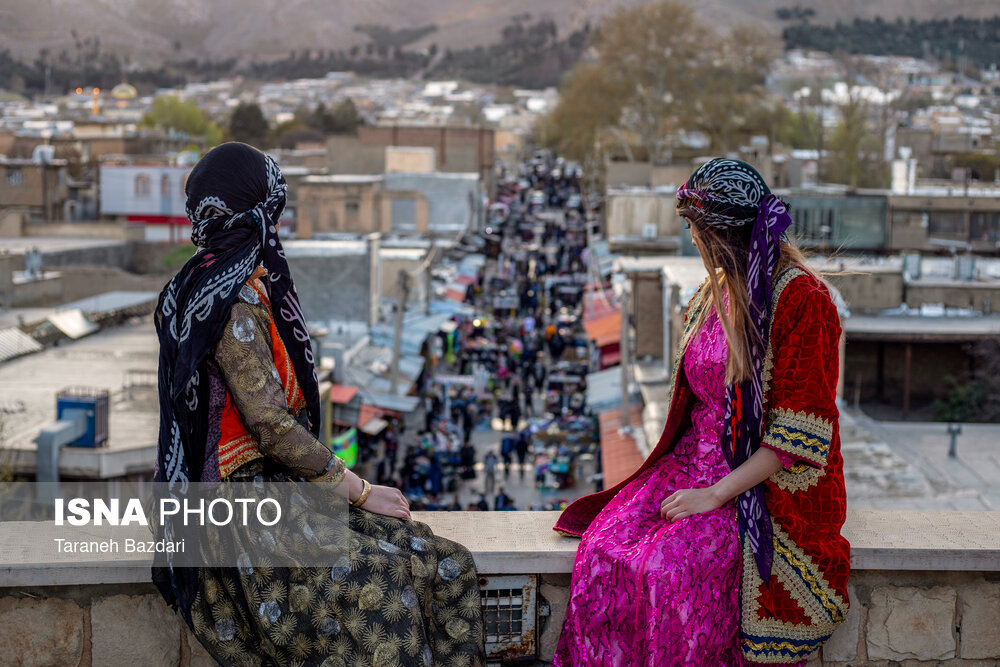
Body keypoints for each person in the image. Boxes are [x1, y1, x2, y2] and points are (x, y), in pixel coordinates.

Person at [153, 143, 485, 666]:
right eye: (275, 214)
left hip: (280, 492)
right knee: (386, 604)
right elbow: (268, 422)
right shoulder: (231, 306)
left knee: (446, 565)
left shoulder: (233, 290)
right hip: (243, 511)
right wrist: (358, 490)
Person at [552, 158, 850, 665]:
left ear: (719, 236)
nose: (690, 239)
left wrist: (714, 494)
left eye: (693, 228)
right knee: (604, 548)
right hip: (688, 465)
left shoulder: (803, 299)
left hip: (755, 484)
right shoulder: (712, 293)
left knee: (672, 570)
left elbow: (799, 437)